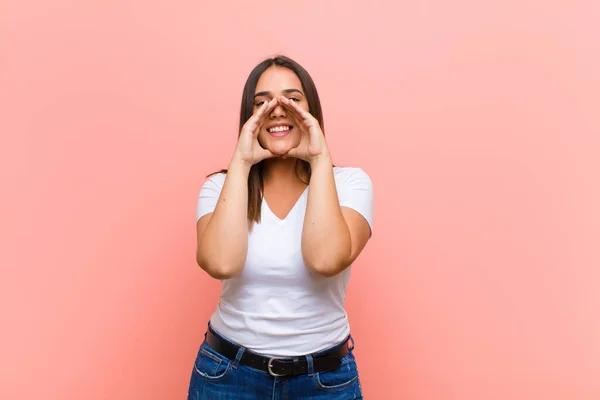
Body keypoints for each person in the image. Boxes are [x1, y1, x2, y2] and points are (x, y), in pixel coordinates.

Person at [187, 55, 373, 399]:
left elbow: (325, 260)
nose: (276, 108)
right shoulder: (220, 187)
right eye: (262, 102)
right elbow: (220, 264)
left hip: (325, 381)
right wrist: (241, 161)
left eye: (292, 98)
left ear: (311, 111)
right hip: (227, 376)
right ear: (249, 117)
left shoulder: (349, 183)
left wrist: (319, 159)